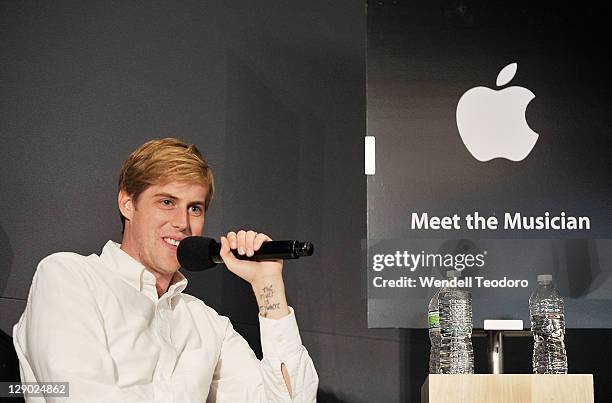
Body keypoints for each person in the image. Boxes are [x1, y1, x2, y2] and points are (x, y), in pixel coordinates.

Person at [13, 138, 318, 402]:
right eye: (167, 201)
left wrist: (269, 286)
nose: (183, 222)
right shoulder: (69, 277)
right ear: (127, 203)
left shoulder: (208, 324)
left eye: (194, 208)